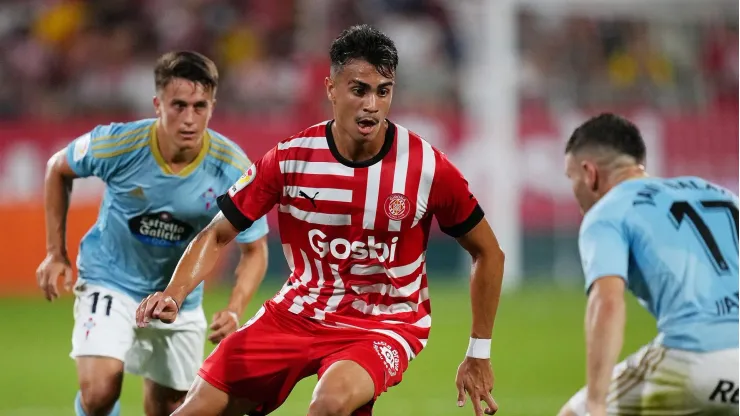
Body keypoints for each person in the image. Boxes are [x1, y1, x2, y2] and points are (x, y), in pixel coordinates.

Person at [136, 24, 506, 416]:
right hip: (298, 311)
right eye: (359, 89)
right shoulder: (290, 159)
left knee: (329, 403)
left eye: (384, 91)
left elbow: (489, 252)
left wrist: (478, 352)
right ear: (331, 89)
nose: (372, 105)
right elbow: (217, 235)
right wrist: (173, 294)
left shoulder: (428, 168)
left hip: (384, 323)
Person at [35, 51, 270, 416]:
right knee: (99, 393)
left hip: (177, 300)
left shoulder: (232, 166)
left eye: (200, 106)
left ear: (213, 105)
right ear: (158, 103)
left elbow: (254, 249)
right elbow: (57, 168)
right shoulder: (119, 143)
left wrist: (235, 309)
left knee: (170, 406)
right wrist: (55, 252)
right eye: (178, 105)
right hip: (111, 279)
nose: (190, 119)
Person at [558, 113, 739, 416]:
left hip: (693, 359)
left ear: (590, 174)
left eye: (571, 178)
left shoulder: (608, 212)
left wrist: (597, 402)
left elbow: (607, 304)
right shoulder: (721, 195)